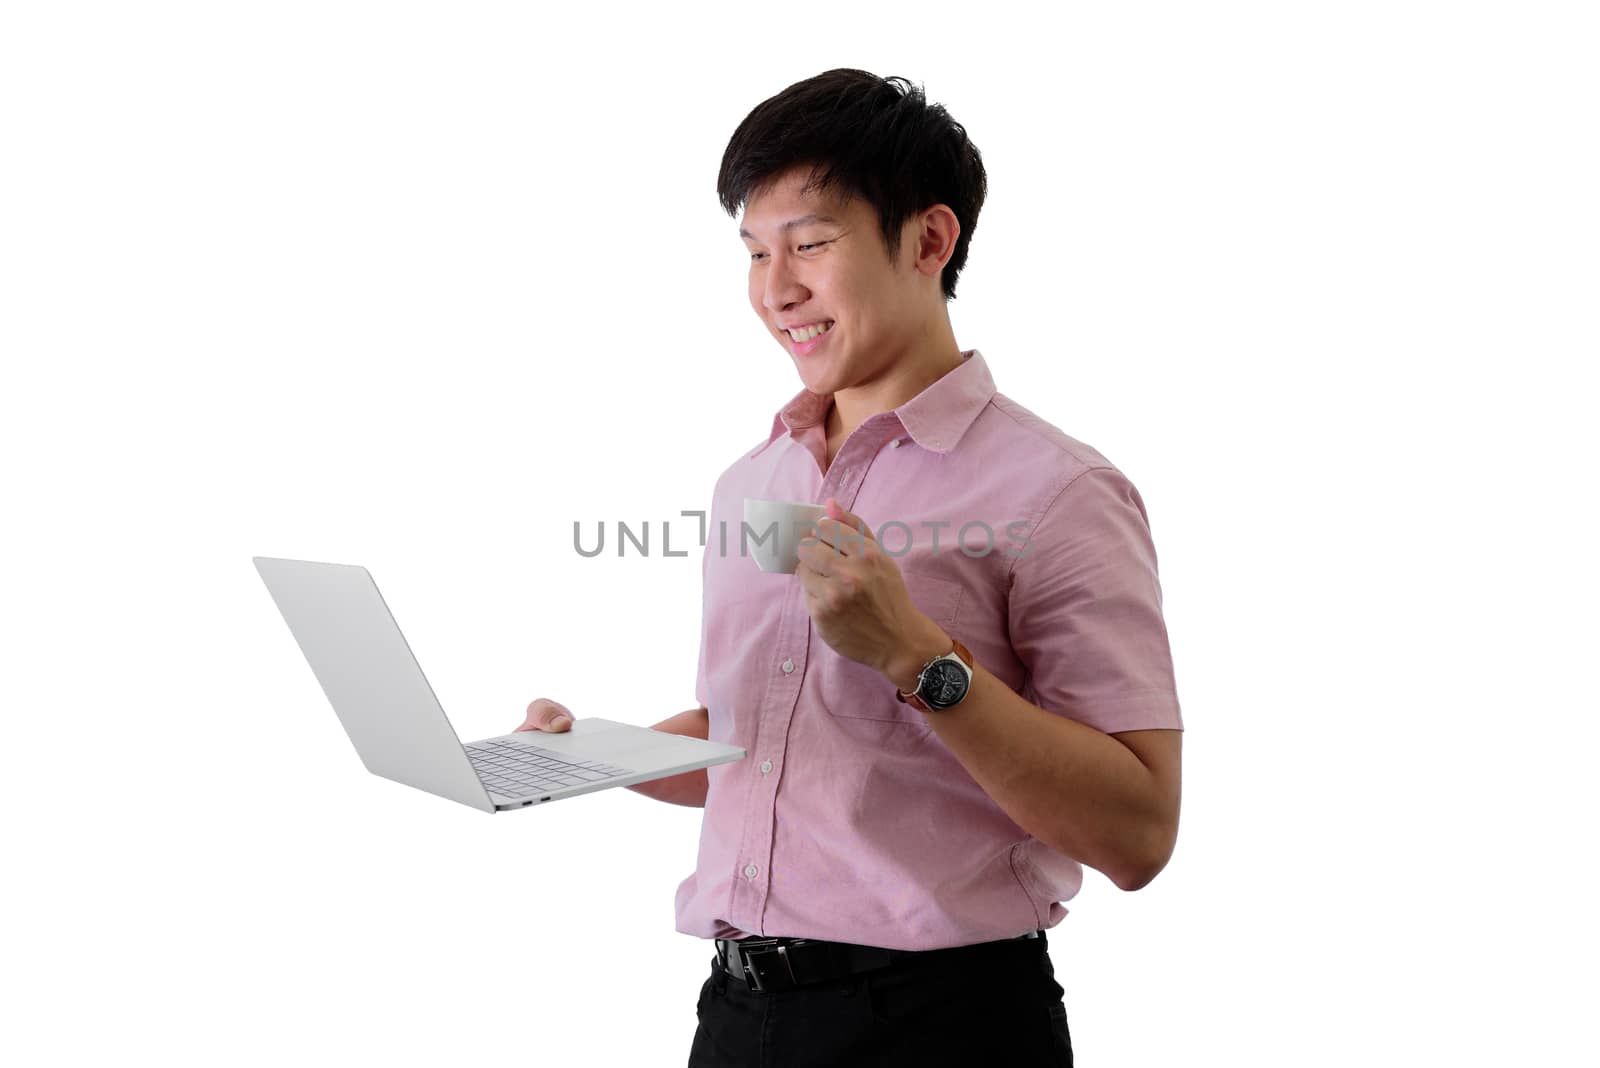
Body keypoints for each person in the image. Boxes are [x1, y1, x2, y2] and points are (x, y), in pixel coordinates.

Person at [517, 68, 1183, 1068]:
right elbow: (764, 739)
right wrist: (592, 757)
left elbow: (1138, 832)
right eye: (753, 252)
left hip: (941, 1025)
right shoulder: (758, 482)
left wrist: (916, 657)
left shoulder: (1059, 493)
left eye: (810, 245)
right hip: (738, 1019)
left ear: (927, 240)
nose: (775, 289)